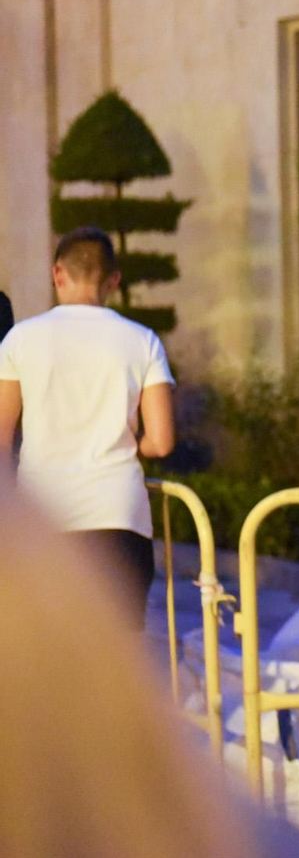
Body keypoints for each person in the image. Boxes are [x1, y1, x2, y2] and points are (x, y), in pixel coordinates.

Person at [0, 488, 299, 858]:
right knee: (112, 674)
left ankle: (64, 790)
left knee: (39, 697)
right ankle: (110, 791)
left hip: (50, 516)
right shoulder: (238, 840)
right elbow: (160, 441)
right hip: (114, 511)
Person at [0, 227, 175, 631]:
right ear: (113, 280)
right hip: (119, 515)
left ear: (57, 274)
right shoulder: (142, 341)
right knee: (117, 656)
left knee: (52, 655)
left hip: (43, 520)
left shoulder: (20, 340)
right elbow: (162, 441)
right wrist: (133, 442)